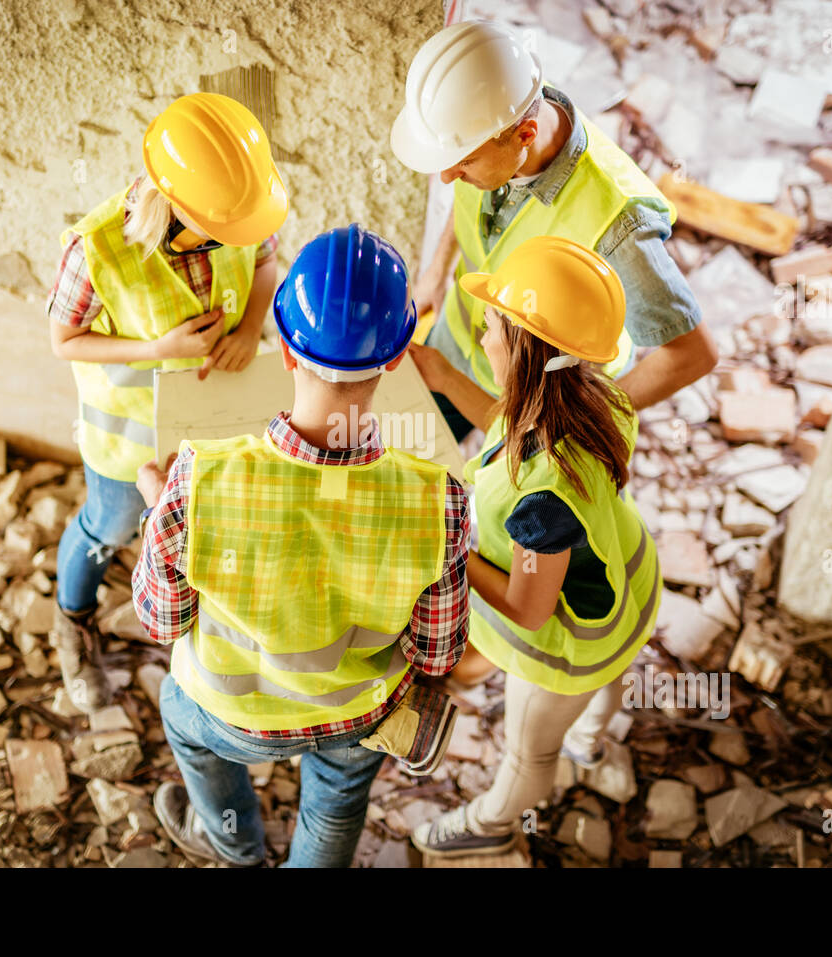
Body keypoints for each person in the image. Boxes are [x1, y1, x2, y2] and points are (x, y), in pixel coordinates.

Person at [131, 224, 471, 868]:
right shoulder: (441, 501)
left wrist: (161, 512)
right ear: (396, 356)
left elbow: (162, 620)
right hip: (357, 717)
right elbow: (437, 653)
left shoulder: (197, 481)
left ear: (286, 351)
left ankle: (232, 845)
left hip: (232, 717)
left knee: (181, 714)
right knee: (338, 803)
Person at [406, 236, 661, 858]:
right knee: (603, 687)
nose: (483, 337)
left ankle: (492, 823)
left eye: (491, 326)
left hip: (570, 645)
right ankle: (591, 742)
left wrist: (447, 548)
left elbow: (527, 609)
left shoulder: (541, 502)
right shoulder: (595, 397)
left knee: (528, 748)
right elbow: (512, 420)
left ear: (521, 348)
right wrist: (441, 375)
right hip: (628, 596)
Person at [46, 92, 286, 714]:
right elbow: (63, 339)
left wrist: (249, 329)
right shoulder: (95, 248)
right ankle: (72, 621)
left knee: (202, 515)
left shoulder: (241, 206)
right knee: (111, 527)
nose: (247, 231)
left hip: (214, 419)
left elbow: (266, 263)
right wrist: (157, 347)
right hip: (129, 441)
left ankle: (185, 616)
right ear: (178, 205)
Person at [390, 19, 717, 427]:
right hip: (456, 349)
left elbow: (692, 354)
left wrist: (575, 427)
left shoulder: (618, 223)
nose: (446, 177)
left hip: (532, 407)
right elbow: (468, 198)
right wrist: (435, 273)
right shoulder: (498, 122)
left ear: (525, 135)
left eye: (464, 162)